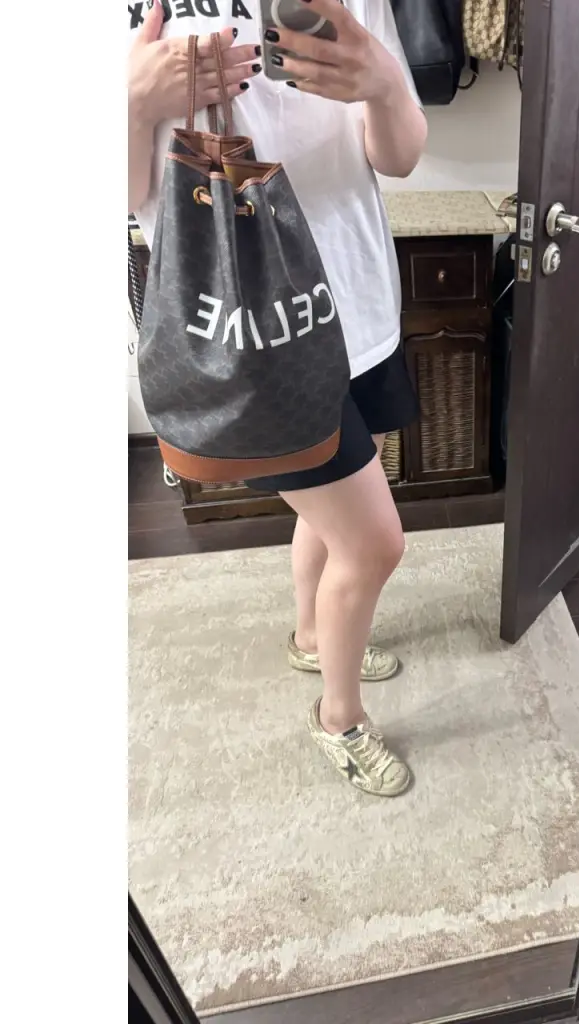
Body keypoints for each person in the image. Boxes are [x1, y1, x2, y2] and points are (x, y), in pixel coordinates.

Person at [128, 0, 428, 797]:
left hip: (357, 304)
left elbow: (400, 156)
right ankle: (339, 717)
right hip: (258, 339)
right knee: (374, 545)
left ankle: (311, 634)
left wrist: (383, 84)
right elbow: (121, 194)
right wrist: (132, 104)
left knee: (334, 520)